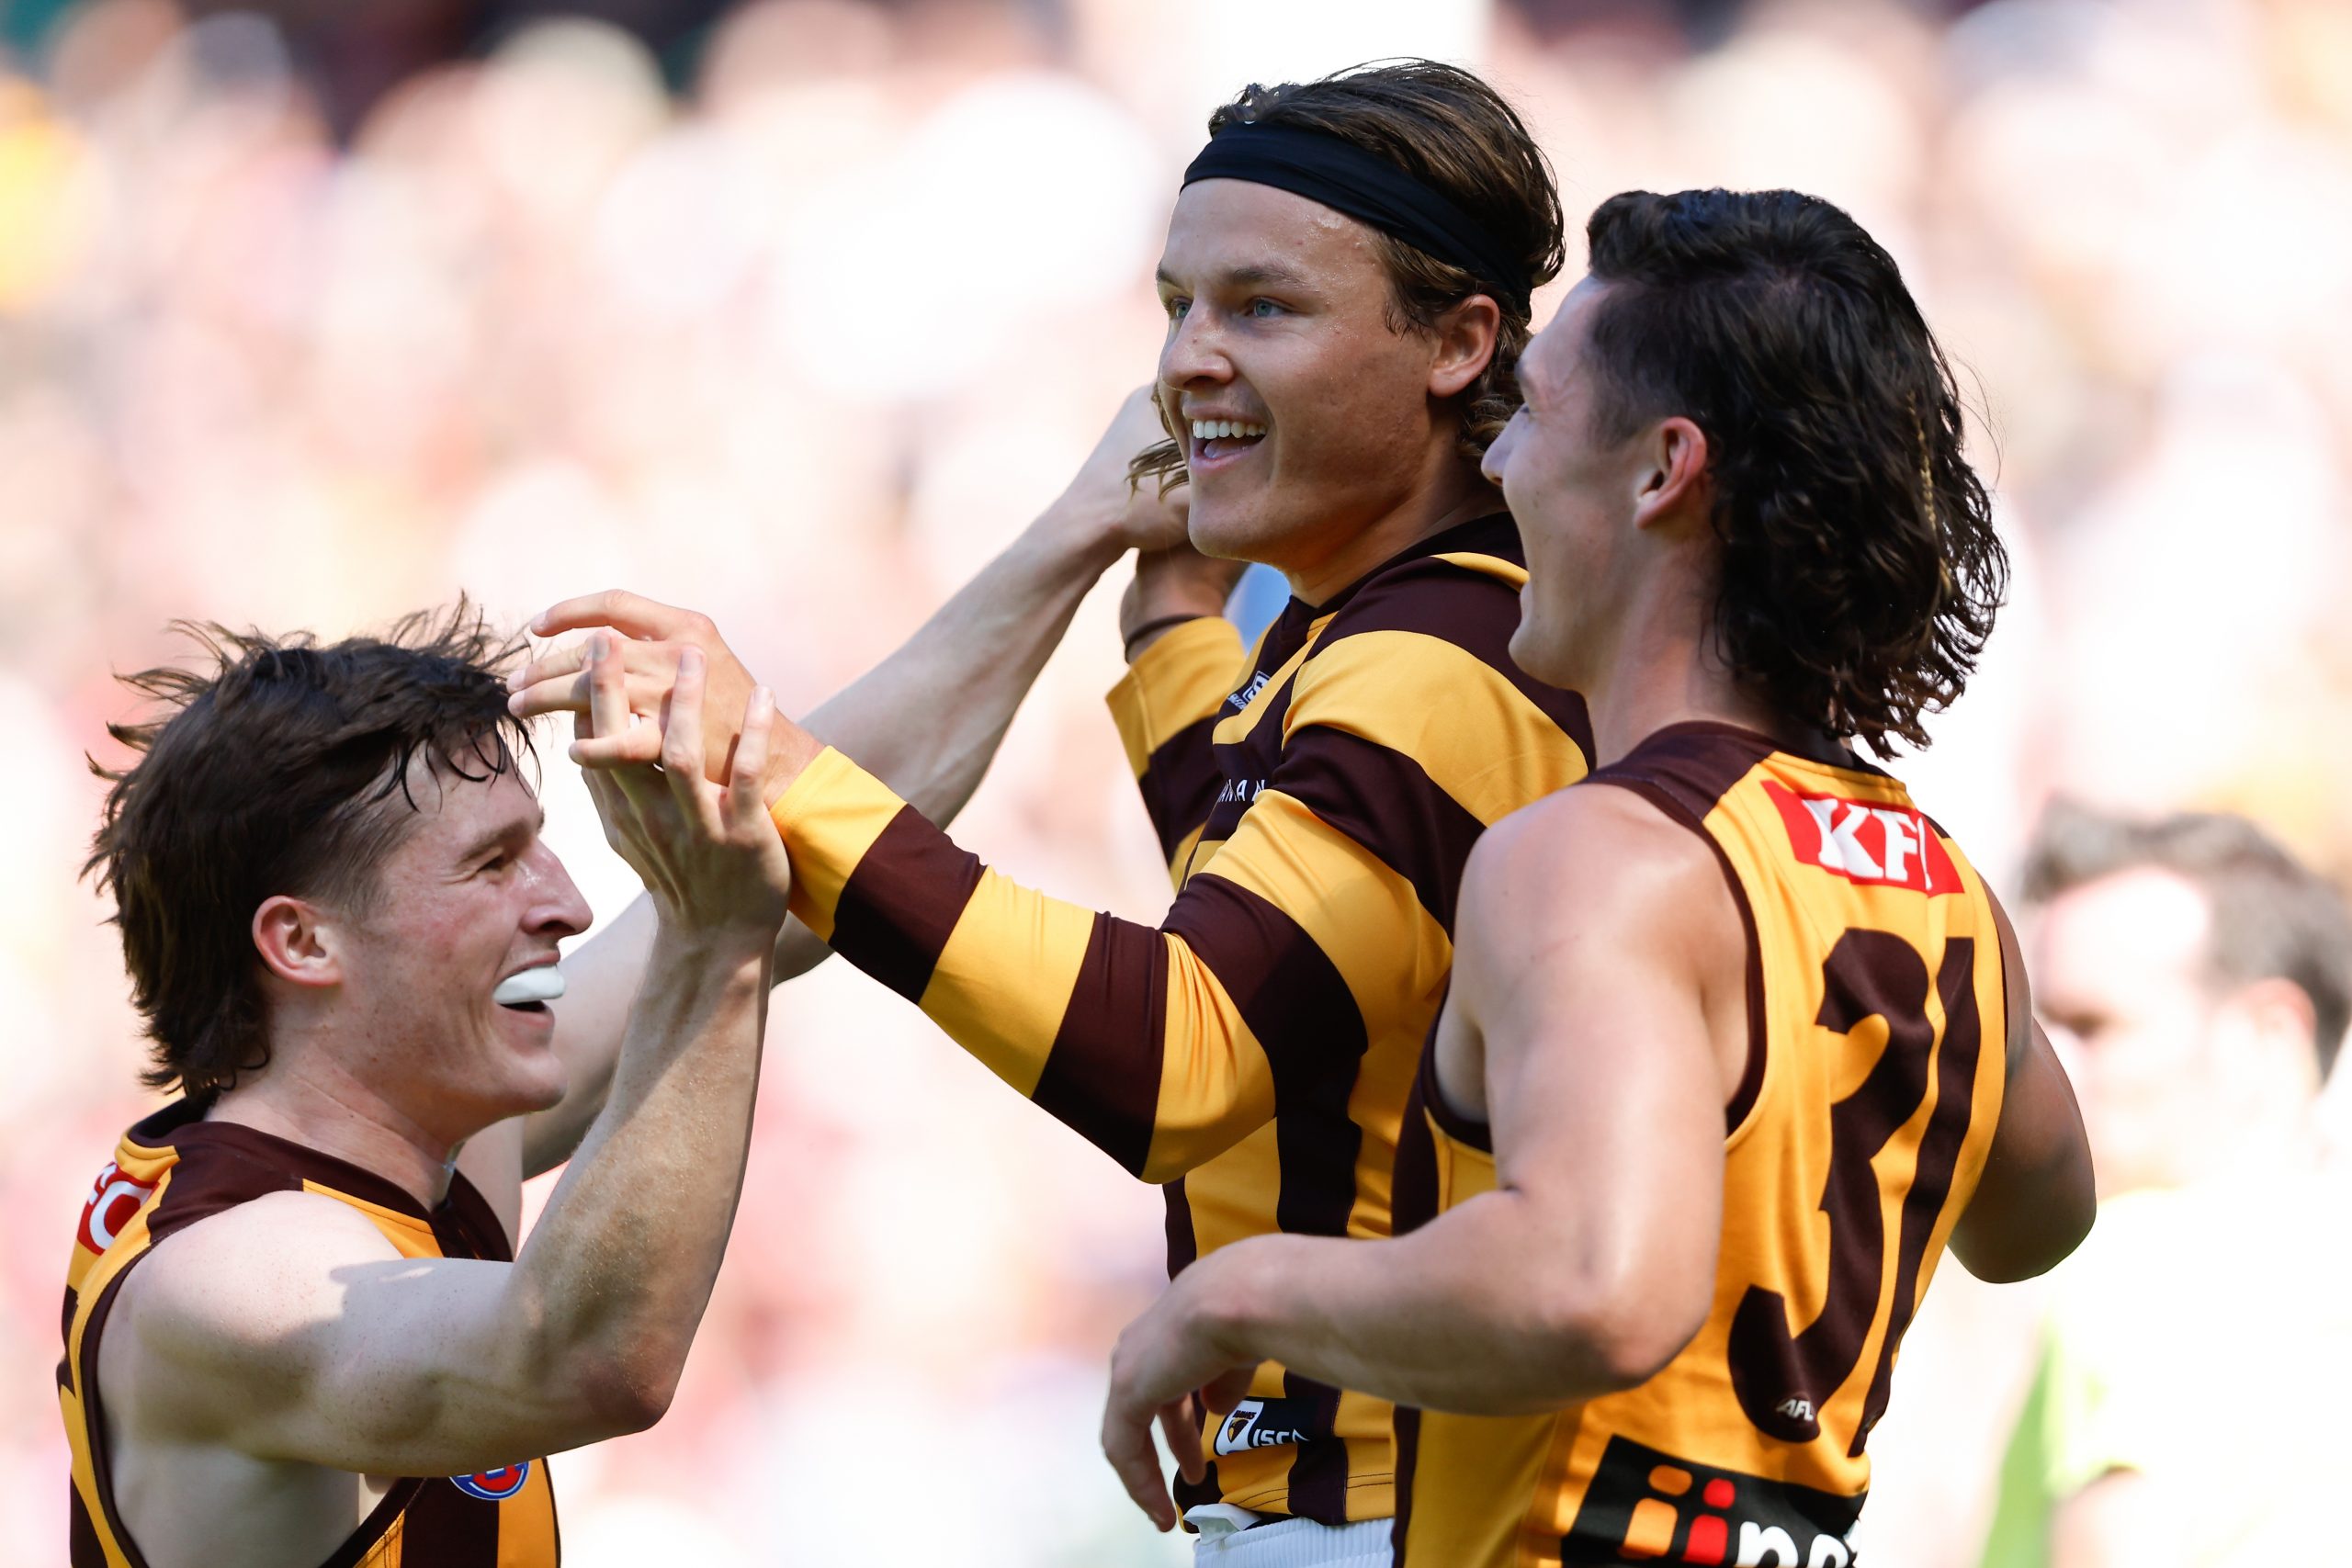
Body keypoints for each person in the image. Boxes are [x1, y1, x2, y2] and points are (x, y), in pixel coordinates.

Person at [513, 60, 1591, 1562]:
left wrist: (773, 769)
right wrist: (1169, 626)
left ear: (1459, 343)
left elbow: (1179, 1058)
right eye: (1178, 307)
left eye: (1262, 309)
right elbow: (1289, 918)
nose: (1188, 361)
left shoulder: (1433, 665)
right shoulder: (1422, 634)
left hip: (1392, 1512)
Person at [1098, 187, 2098, 1567]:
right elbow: (2040, 1216)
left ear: (1660, 470)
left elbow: (1596, 1283)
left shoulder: (1590, 856)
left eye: (1538, 410)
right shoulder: (1942, 889)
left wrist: (1229, 1295)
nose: (1496, 456)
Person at [62, 607, 786, 1568]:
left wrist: (1055, 549)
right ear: (305, 943)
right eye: (493, 864)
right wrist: (715, 944)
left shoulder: (415, 1130)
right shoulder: (231, 1280)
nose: (566, 907)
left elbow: (808, 849)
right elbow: (586, 1360)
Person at [1977, 805, 2352, 1568]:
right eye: (2040, 1035)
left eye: (2094, 1026)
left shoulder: (2137, 1266)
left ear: (2267, 1034)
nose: (2047, 1076)